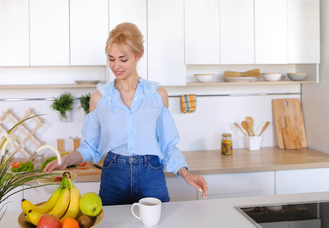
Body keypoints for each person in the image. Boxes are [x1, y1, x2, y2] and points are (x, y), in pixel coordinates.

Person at [43, 22, 208, 205]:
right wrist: (67, 159)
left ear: (138, 56)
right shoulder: (99, 98)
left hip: (151, 174)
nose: (116, 66)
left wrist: (185, 173)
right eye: (111, 58)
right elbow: (91, 146)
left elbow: (167, 145)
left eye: (123, 59)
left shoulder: (157, 96)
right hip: (114, 176)